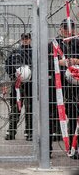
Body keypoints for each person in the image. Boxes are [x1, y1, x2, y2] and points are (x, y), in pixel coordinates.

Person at [48, 19, 79, 157]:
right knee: (52, 115)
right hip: (56, 85)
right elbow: (45, 62)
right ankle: (47, 149)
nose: (67, 30)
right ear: (60, 29)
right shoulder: (53, 45)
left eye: (70, 28)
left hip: (73, 85)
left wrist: (76, 61)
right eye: (65, 28)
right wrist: (59, 62)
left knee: (73, 115)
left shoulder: (77, 43)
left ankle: (74, 147)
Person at [4, 33, 33, 141]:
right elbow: (7, 64)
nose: (25, 41)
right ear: (21, 40)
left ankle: (29, 133)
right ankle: (11, 132)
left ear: (30, 40)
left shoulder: (34, 52)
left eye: (27, 39)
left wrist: (31, 75)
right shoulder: (15, 52)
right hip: (17, 85)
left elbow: (39, 66)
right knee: (15, 108)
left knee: (30, 109)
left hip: (30, 84)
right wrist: (13, 75)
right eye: (24, 39)